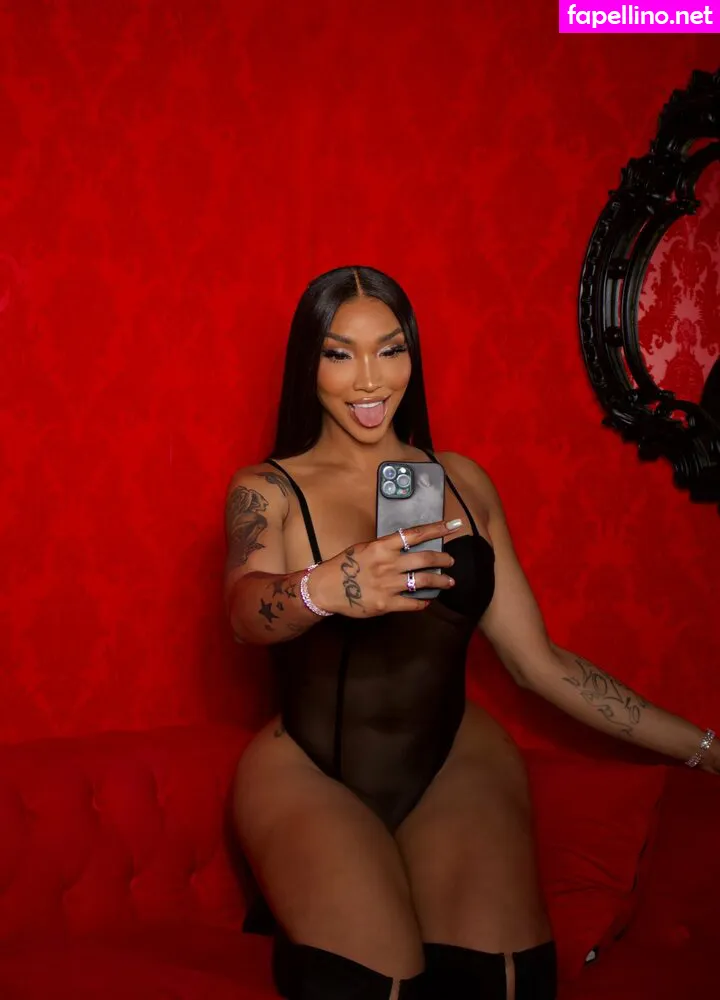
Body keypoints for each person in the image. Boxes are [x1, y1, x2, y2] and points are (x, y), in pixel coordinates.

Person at [223, 265, 718, 1000]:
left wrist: (707, 748)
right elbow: (243, 612)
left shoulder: (463, 482)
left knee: (506, 982)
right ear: (308, 364)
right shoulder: (268, 489)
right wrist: (326, 587)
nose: (370, 379)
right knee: (378, 984)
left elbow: (540, 665)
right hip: (310, 765)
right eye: (340, 353)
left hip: (450, 758)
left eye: (390, 349)